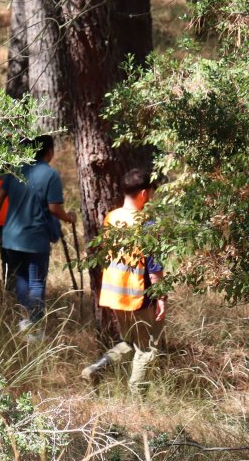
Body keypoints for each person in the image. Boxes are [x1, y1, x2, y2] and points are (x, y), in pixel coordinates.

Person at [80, 168, 165, 394]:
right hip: (139, 296)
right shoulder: (146, 222)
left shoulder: (112, 217)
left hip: (115, 295)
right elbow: (154, 264)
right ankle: (137, 396)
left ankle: (96, 369)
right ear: (145, 193)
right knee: (147, 349)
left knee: (129, 343)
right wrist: (161, 296)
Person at [0, 135, 76, 333]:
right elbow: (53, 207)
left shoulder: (14, 172)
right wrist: (68, 217)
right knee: (36, 281)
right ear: (49, 151)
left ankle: (25, 320)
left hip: (10, 237)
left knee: (21, 278)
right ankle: (35, 325)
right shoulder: (50, 175)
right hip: (35, 238)